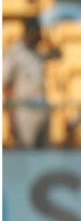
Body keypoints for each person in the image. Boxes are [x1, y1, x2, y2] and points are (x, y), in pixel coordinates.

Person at [2, 18, 60, 149]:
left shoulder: (37, 53)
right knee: (26, 149)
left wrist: (49, 40)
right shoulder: (15, 52)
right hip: (25, 109)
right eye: (37, 33)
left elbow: (57, 54)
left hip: (42, 108)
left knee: (43, 151)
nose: (39, 37)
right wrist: (10, 115)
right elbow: (6, 83)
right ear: (29, 32)